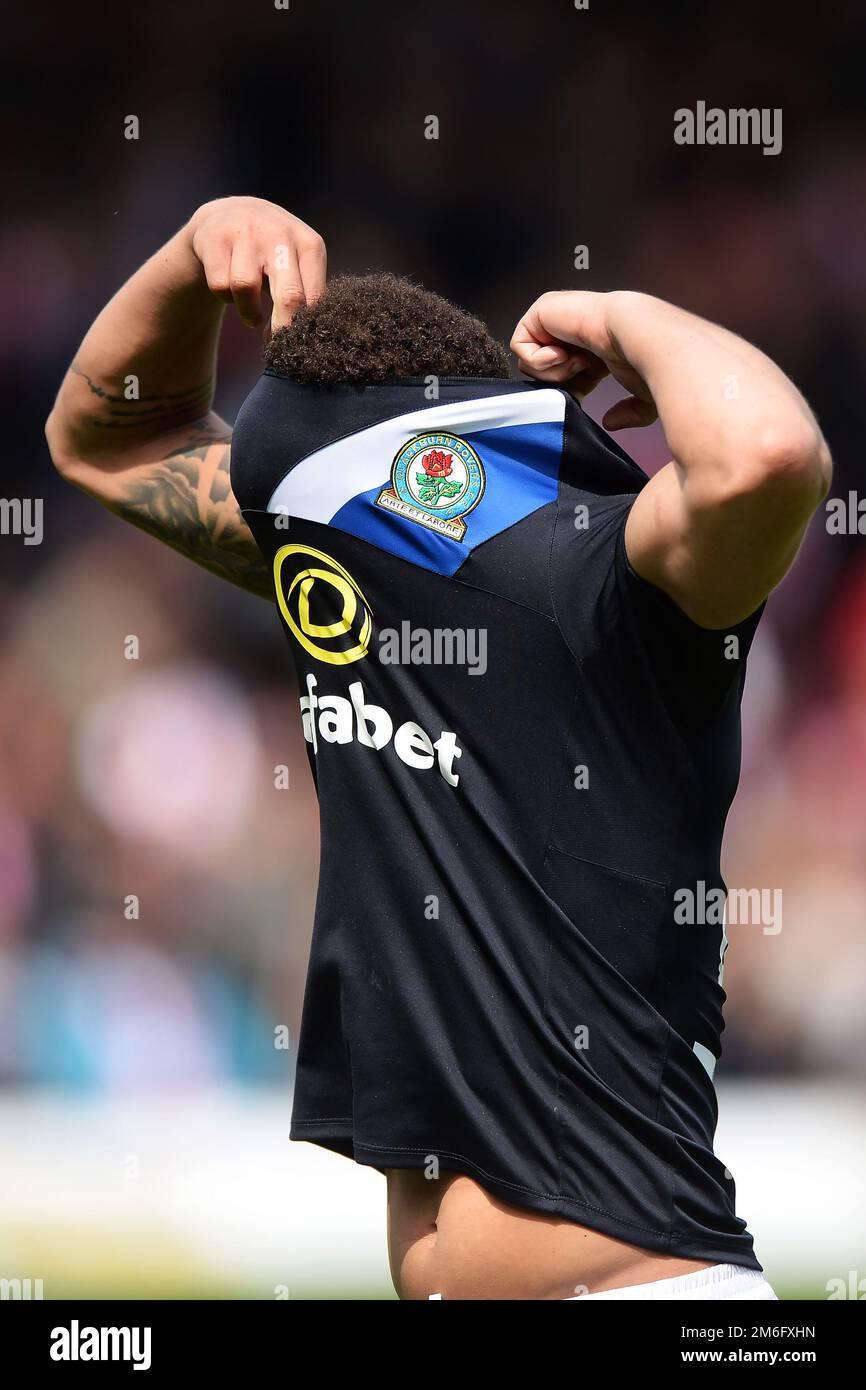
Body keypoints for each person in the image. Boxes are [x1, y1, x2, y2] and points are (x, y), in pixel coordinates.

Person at [46, 196, 831, 1300]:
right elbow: (103, 438)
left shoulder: (603, 579)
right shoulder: (356, 575)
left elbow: (768, 454)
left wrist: (625, 314)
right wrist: (193, 248)